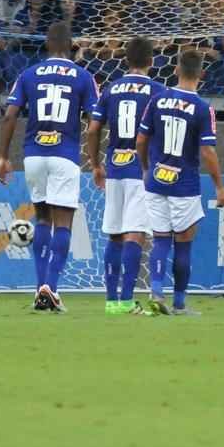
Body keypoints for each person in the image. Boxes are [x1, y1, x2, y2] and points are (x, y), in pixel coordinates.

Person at [0, 21, 99, 313]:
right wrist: (94, 157)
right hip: (65, 154)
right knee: (63, 223)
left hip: (34, 155)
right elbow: (95, 121)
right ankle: (51, 287)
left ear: (46, 45)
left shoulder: (28, 74)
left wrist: (3, 156)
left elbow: (9, 115)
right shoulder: (83, 76)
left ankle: (40, 289)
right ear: (71, 46)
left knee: (42, 219)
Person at [135, 49, 224, 316]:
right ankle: (178, 304)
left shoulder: (157, 99)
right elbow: (208, 151)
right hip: (184, 185)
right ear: (202, 74)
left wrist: (145, 168)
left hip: (156, 181)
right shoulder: (203, 109)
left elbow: (141, 141)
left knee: (160, 240)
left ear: (176, 70)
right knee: (184, 243)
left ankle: (155, 292)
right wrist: (220, 186)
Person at [85, 37, 164, 316]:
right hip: (141, 170)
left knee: (115, 235)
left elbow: (93, 130)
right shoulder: (157, 91)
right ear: (151, 62)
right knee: (136, 234)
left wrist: (95, 165)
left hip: (114, 168)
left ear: (126, 60)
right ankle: (128, 301)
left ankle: (111, 301)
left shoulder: (111, 89)